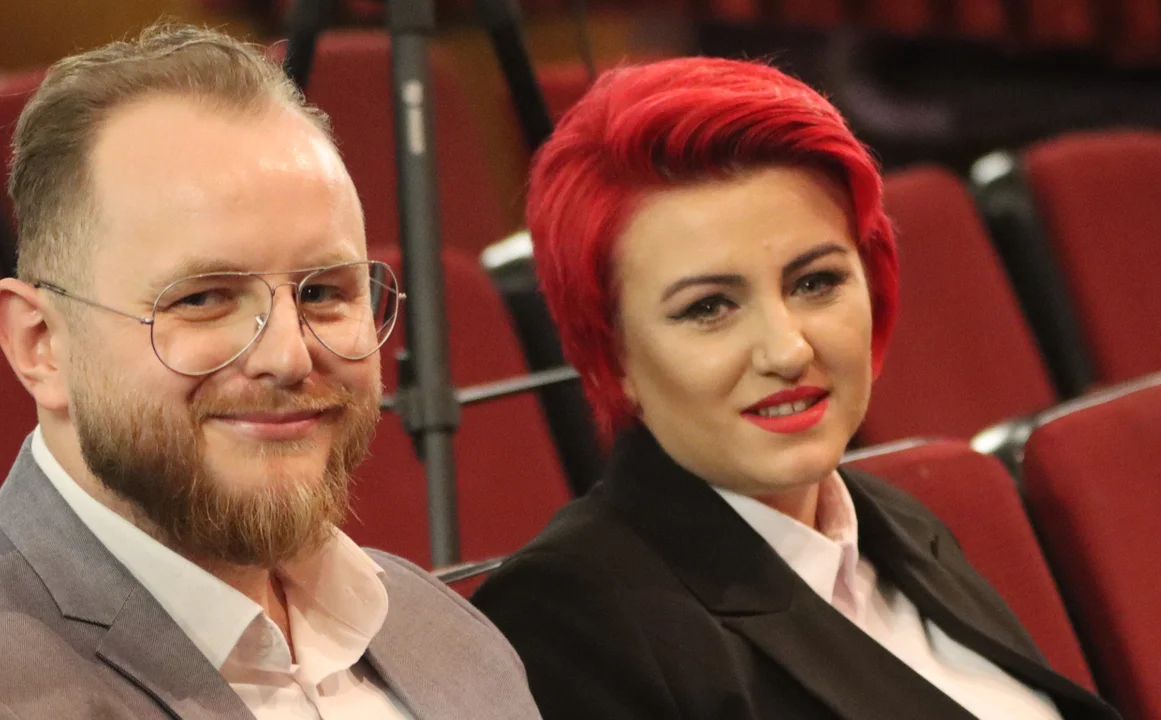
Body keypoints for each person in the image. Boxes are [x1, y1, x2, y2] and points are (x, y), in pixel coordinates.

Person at [471, 57, 1120, 720]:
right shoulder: (567, 621)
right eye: (708, 307)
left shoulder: (898, 524)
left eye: (815, 282)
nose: (787, 350)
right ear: (613, 356)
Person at [0, 24, 541, 719]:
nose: (288, 356)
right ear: (41, 343)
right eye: (203, 300)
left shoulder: (448, 632)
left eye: (322, 292)